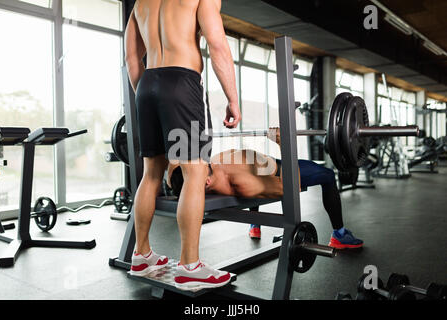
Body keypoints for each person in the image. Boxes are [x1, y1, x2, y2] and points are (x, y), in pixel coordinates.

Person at [125, 0, 241, 291]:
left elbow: (130, 57)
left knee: (151, 173)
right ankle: (190, 266)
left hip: (147, 84)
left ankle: (141, 255)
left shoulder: (141, 3)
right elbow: (217, 45)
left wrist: (148, 94)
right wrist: (233, 99)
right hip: (181, 81)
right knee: (196, 171)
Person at [167, 128, 363, 250]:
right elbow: (285, 185)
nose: (198, 162)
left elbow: (174, 167)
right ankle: (339, 234)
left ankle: (254, 226)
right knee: (328, 175)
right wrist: (281, 143)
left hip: (259, 170)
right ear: (206, 183)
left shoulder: (207, 170)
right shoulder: (242, 183)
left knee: (252, 179)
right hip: (279, 170)